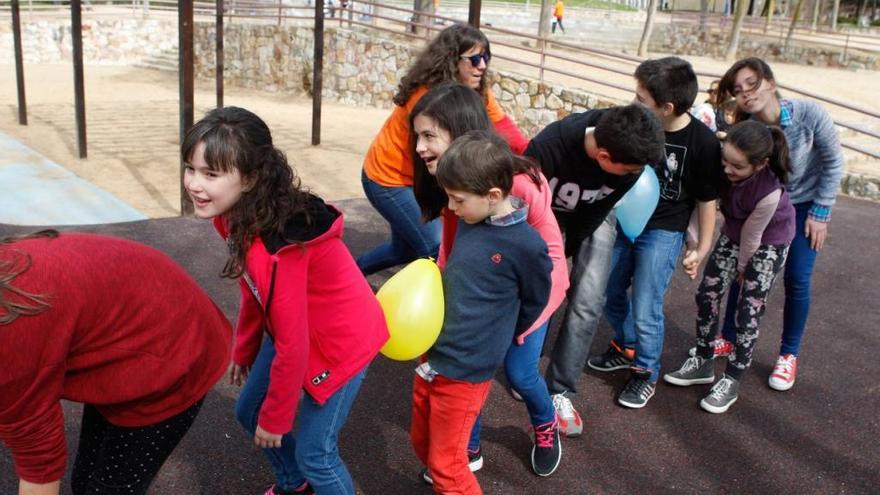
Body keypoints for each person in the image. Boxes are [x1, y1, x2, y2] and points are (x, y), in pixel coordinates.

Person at [182, 106, 389, 495]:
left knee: (317, 454)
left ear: (252, 178)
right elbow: (253, 288)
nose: (195, 183)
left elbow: (293, 343)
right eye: (191, 169)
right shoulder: (235, 215)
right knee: (248, 410)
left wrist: (277, 419)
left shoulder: (276, 248)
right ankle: (296, 485)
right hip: (299, 327)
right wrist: (244, 350)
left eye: (211, 174)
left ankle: (306, 475)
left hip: (342, 341)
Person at [409, 83, 569, 478]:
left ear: (459, 132)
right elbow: (452, 247)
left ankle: (545, 423)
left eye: (429, 135)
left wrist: (513, 324)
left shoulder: (514, 187)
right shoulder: (455, 188)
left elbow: (546, 258)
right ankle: (467, 445)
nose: (419, 147)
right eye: (417, 135)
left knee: (518, 371)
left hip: (531, 290)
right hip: (484, 287)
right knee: (464, 374)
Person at [0, 231, 231, 495]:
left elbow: (39, 463)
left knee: (108, 489)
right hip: (133, 317)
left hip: (173, 351)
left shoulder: (11, 340)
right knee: (85, 480)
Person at [588, 57, 723, 409]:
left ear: (666, 107)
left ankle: (644, 372)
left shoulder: (703, 144)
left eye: (641, 99)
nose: (633, 104)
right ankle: (627, 343)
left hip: (664, 230)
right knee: (608, 288)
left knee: (646, 304)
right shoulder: (634, 126)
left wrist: (703, 246)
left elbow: (707, 200)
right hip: (623, 222)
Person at [524, 104, 666, 434]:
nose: (636, 172)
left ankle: (560, 390)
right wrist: (552, 259)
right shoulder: (549, 146)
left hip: (594, 219)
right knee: (538, 292)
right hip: (544, 216)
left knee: (587, 301)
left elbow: (597, 212)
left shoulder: (629, 168)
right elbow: (526, 204)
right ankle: (526, 373)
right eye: (631, 167)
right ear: (603, 156)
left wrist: (568, 255)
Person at [712, 57, 844, 391]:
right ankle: (728, 335)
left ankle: (788, 354)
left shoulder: (808, 115)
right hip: (760, 210)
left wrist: (821, 212)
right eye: (738, 90)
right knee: (743, 272)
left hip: (802, 207)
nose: (746, 93)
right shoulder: (745, 126)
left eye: (752, 84)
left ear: (770, 82)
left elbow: (833, 161)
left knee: (797, 278)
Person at [357, 23, 528, 275]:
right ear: (452, 59)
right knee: (435, 246)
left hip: (421, 176)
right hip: (390, 178)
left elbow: (508, 132)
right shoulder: (429, 97)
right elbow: (444, 153)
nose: (482, 65)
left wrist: (537, 158)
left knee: (404, 249)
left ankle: (347, 277)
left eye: (486, 57)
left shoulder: (476, 92)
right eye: (475, 58)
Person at [664, 120, 796, 413]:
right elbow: (705, 204)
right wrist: (696, 247)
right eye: (725, 160)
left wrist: (743, 268)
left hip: (768, 242)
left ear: (760, 164)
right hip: (734, 232)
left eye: (737, 166)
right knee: (707, 293)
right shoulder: (721, 168)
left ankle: (732, 377)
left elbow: (753, 237)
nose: (727, 169)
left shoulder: (769, 190)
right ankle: (703, 359)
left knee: (748, 310)